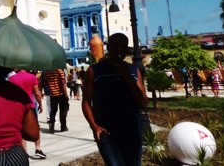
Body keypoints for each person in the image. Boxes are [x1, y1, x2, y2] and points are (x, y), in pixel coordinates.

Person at [82, 33, 148, 166]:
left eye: (124, 46)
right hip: (108, 134)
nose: (120, 50)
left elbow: (142, 103)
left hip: (131, 132)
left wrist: (129, 79)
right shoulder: (95, 71)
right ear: (108, 47)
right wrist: (94, 127)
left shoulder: (134, 70)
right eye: (116, 46)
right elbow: (86, 101)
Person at [9, 69, 47, 159]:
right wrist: (40, 104)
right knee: (35, 126)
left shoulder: (12, 78)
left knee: (21, 128)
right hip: (30, 105)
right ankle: (38, 148)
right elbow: (37, 93)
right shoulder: (32, 77)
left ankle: (24, 151)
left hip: (18, 106)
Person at [44, 68, 69, 133]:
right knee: (63, 110)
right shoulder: (59, 71)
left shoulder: (48, 72)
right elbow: (63, 83)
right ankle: (63, 127)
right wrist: (66, 94)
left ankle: (52, 125)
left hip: (52, 94)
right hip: (61, 94)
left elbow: (46, 82)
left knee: (53, 111)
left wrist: (52, 86)